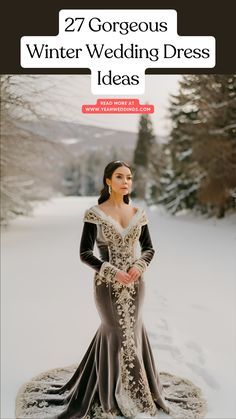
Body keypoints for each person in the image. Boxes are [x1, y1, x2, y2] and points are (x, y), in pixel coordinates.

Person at [26, 160, 171, 418]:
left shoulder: (139, 213)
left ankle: (135, 390)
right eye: (119, 177)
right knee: (115, 330)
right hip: (107, 285)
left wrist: (139, 265)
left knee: (132, 330)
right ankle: (110, 395)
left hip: (136, 285)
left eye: (129, 177)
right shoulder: (95, 213)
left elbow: (149, 248)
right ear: (108, 181)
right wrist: (113, 271)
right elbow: (84, 253)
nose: (125, 182)